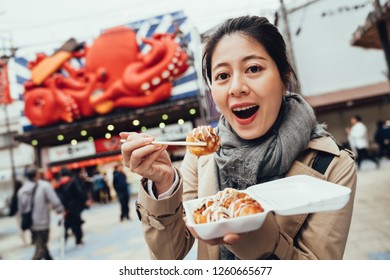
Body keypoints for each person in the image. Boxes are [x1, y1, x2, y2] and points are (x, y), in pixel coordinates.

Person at [120, 16, 357, 260]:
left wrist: (246, 228)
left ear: (284, 76)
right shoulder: (202, 153)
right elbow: (168, 255)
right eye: (222, 76)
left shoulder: (332, 166)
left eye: (253, 69)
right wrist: (164, 184)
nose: (236, 87)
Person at [17, 166, 64, 260]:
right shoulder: (44, 186)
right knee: (41, 248)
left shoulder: (22, 190)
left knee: (41, 244)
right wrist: (60, 209)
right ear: (36, 174)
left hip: (30, 223)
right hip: (42, 221)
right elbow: (54, 200)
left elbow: (21, 209)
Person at [56, 168, 90, 246]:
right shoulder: (72, 181)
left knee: (66, 224)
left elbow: (57, 197)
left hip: (64, 208)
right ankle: (79, 239)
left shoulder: (58, 184)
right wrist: (85, 200)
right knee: (76, 223)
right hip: (74, 206)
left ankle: (63, 240)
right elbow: (79, 191)